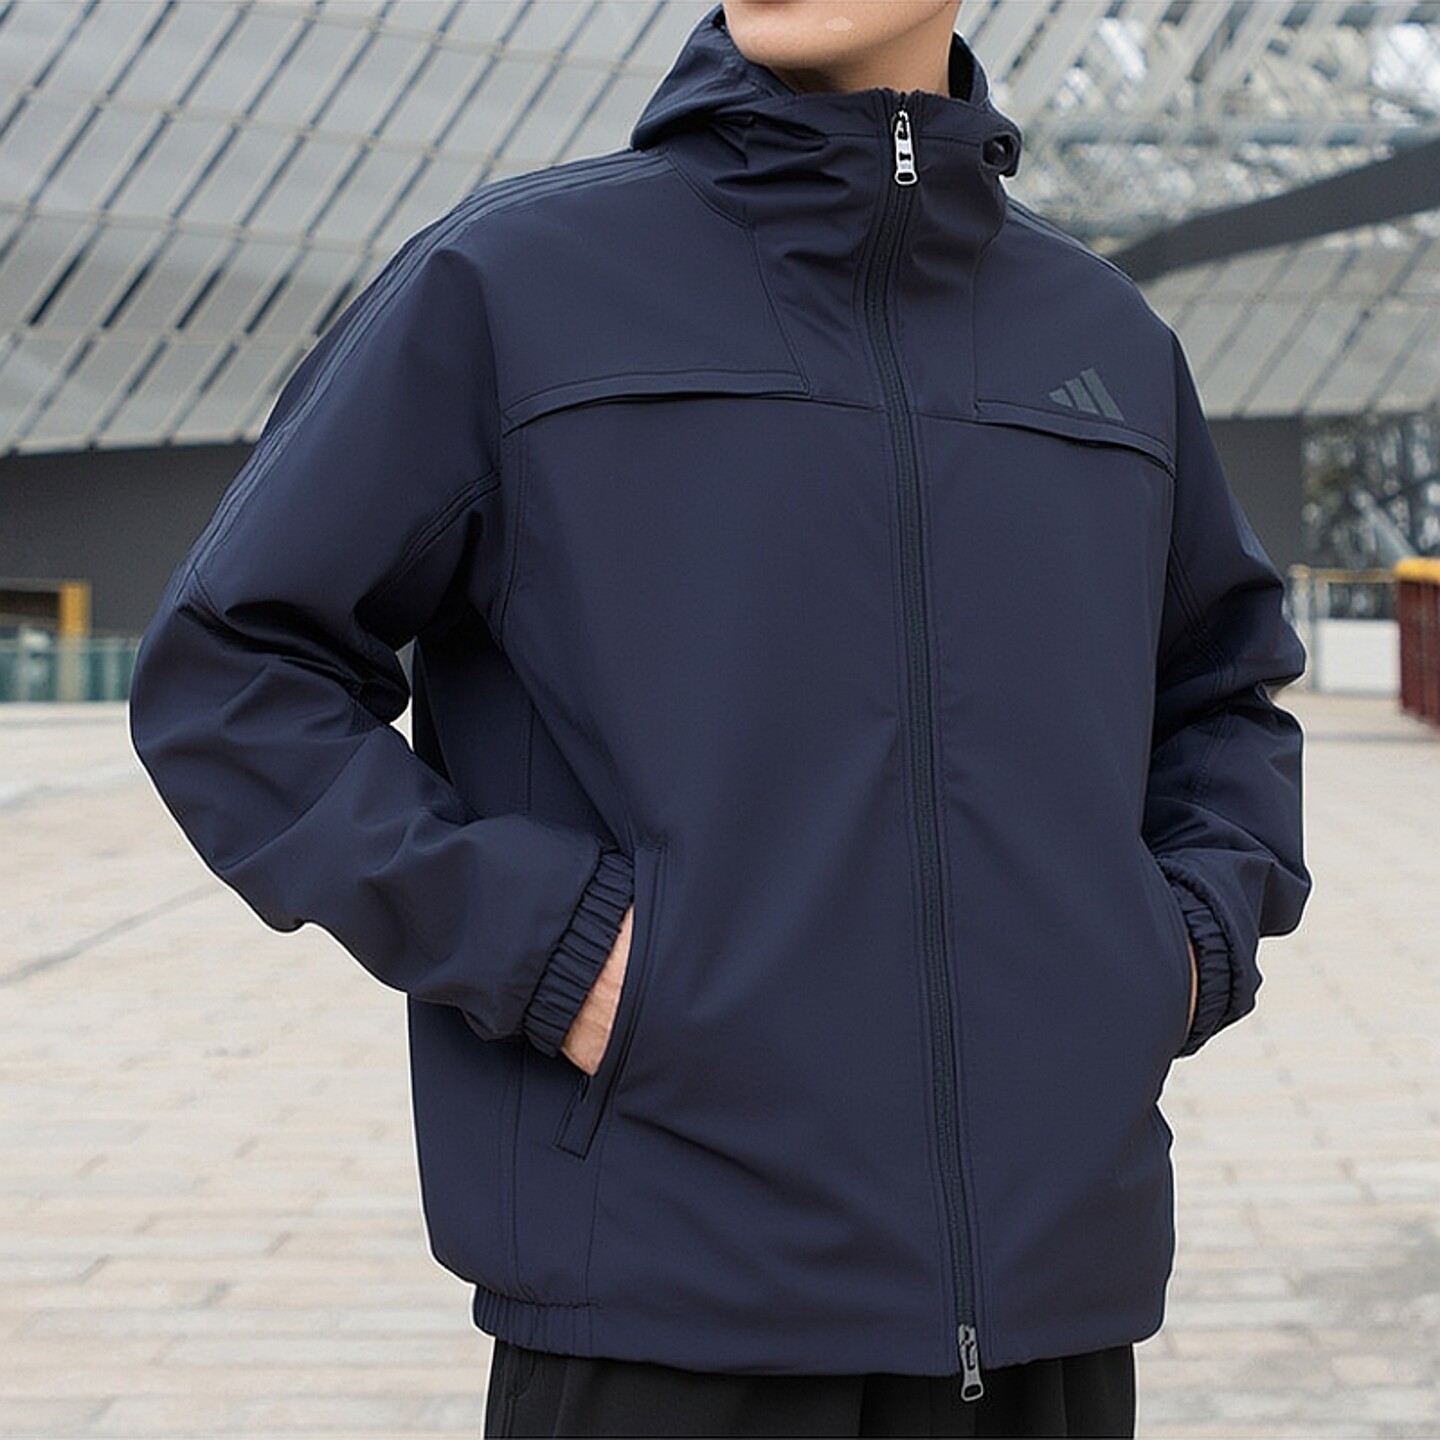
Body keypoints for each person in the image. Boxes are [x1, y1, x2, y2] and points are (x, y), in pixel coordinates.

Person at [128, 2, 1311, 1435]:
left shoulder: (1104, 341)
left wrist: (1178, 953)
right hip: (666, 1309)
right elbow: (231, 666)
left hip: (1048, 1320)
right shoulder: (513, 285)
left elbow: (1224, 695)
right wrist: (559, 949)